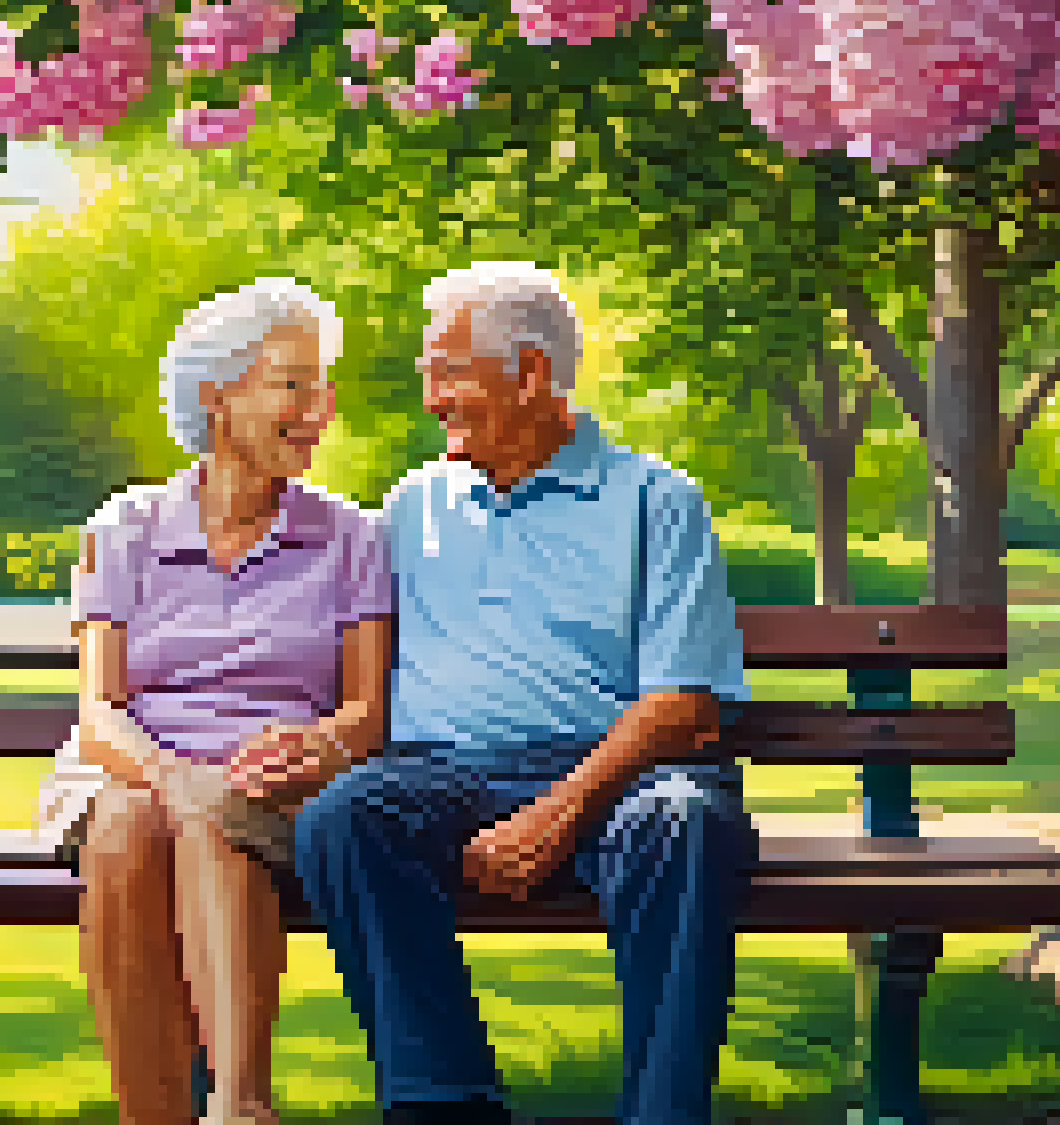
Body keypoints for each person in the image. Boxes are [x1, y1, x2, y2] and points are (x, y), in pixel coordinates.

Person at [281, 262, 757, 1125]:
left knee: (687, 821)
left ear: (532, 373)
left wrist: (557, 812)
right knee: (346, 817)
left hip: (624, 781)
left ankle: (663, 1114)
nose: (432, 400)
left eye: (448, 374)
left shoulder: (656, 498)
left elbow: (686, 704)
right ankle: (445, 1104)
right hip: (448, 777)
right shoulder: (412, 505)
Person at [38, 277, 394, 1125]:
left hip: (271, 784)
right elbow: (98, 717)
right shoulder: (125, 527)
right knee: (131, 823)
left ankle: (238, 1107)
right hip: (129, 768)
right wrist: (173, 777)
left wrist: (322, 750)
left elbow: (365, 715)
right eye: (292, 382)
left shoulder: (350, 537)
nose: (318, 407)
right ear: (217, 396)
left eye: (321, 384)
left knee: (217, 815)